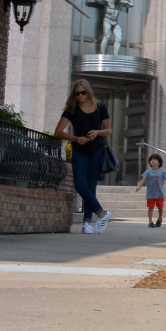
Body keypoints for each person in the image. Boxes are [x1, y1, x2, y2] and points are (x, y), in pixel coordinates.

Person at [54, 79, 112, 234]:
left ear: (88, 92)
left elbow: (108, 130)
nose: (80, 96)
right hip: (79, 150)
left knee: (91, 186)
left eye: (83, 93)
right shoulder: (71, 109)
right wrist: (75, 138)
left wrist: (97, 132)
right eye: (77, 93)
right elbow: (58, 131)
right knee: (80, 185)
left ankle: (87, 223)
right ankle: (101, 213)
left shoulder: (99, 107)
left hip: (96, 149)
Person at [135, 154, 166, 227]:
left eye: (155, 160)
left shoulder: (162, 172)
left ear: (159, 162)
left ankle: (160, 218)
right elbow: (143, 179)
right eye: (151, 160)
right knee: (150, 208)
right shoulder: (148, 172)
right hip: (150, 193)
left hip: (159, 193)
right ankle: (150, 221)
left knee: (160, 207)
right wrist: (139, 186)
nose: (152, 161)